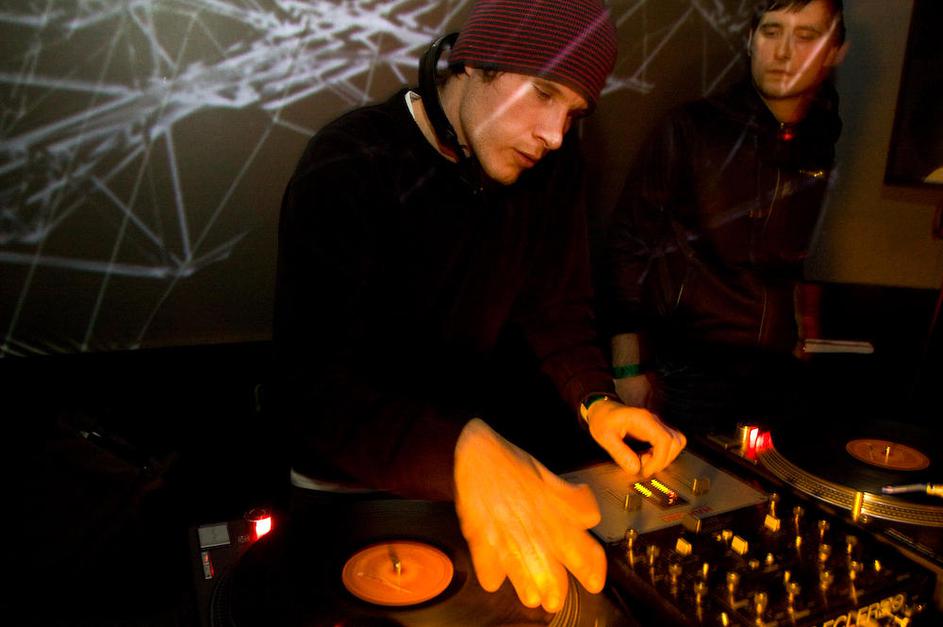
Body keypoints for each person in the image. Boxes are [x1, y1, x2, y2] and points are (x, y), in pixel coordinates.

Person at [272, 0, 686, 614]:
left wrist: (597, 402)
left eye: (573, 113)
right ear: (475, 60)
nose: (555, 135)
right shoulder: (348, 163)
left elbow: (558, 308)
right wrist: (460, 450)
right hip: (346, 492)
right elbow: (311, 389)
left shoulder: (555, 165)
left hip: (474, 477)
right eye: (543, 93)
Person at [601, 0, 847, 433]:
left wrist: (804, 329)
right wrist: (628, 368)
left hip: (776, 371)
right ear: (750, 40)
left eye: (805, 36)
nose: (783, 52)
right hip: (688, 372)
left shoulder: (818, 141)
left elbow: (795, 252)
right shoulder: (692, 128)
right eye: (772, 31)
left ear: (834, 52)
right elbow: (628, 242)